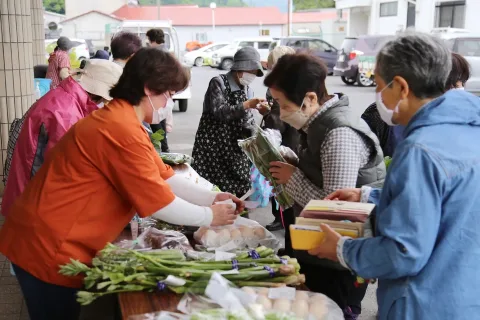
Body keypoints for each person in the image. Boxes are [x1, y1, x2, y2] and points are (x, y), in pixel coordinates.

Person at [0, 48, 243, 320]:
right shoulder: (119, 128)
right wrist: (210, 216)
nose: (169, 103)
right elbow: (159, 203)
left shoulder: (125, 120)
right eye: (169, 95)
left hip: (54, 239)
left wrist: (213, 198)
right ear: (149, 89)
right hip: (49, 247)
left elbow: (164, 176)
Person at [311, 32, 480, 320]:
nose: (378, 96)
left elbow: (403, 252)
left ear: (401, 86)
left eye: (378, 85)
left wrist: (342, 249)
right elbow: (447, 203)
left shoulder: (420, 149)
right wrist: (370, 195)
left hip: (422, 304)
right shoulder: (470, 129)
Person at [264, 53, 386, 319]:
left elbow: (334, 207)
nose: (281, 113)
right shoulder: (319, 125)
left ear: (309, 99)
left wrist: (291, 178)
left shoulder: (338, 133)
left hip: (336, 261)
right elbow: (322, 175)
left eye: (283, 104)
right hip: (319, 249)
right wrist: (294, 163)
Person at [1, 59, 123, 217]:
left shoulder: (65, 96)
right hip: (36, 200)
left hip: (27, 190)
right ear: (98, 92)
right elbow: (67, 166)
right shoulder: (66, 111)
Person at [362, 52, 471, 158]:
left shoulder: (465, 119)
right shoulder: (382, 113)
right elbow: (363, 165)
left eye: (458, 86)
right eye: (447, 86)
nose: (453, 92)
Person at [192, 47, 267, 197]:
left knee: (240, 190)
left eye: (254, 73)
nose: (251, 76)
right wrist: (246, 105)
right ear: (240, 68)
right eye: (250, 71)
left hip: (235, 150)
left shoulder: (248, 90)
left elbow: (248, 123)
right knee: (210, 190)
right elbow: (219, 112)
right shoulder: (218, 82)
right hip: (212, 149)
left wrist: (262, 114)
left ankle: (238, 217)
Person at [261, 46, 298, 233]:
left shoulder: (287, 88)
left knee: (288, 195)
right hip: (292, 146)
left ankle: (291, 245)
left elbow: (277, 121)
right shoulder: (294, 84)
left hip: (291, 147)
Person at [146, 28, 171, 151]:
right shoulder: (167, 52)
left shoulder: (155, 54)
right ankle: (164, 147)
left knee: (155, 120)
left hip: (155, 91)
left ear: (152, 39)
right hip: (164, 91)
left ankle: (162, 148)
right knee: (161, 119)